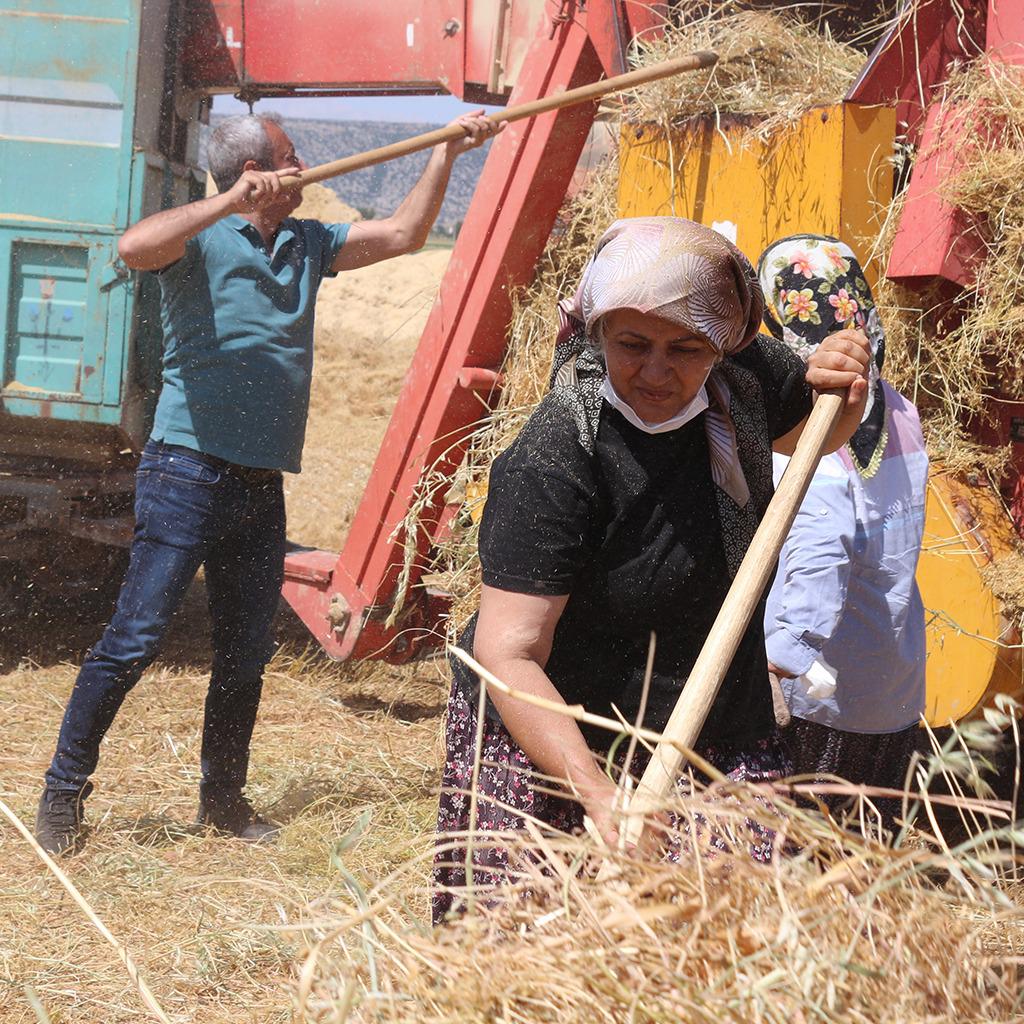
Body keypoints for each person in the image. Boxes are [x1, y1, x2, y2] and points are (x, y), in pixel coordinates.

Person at [35, 109, 498, 856]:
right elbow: (133, 246)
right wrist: (229, 200)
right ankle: (62, 793)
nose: (304, 166)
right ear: (255, 173)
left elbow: (405, 235)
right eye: (291, 157)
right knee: (135, 639)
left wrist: (446, 150)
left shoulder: (309, 242)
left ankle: (223, 802)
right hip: (185, 469)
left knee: (245, 653)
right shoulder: (200, 238)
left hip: (258, 483)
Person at [432, 217, 872, 922]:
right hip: (565, 733)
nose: (658, 371)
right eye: (632, 345)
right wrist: (601, 798)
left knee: (733, 934)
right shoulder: (556, 458)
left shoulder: (747, 377)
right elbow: (508, 653)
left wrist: (844, 393)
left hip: (715, 709)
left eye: (686, 348)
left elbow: (814, 433)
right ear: (598, 330)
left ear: (723, 343)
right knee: (562, 941)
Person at [758, 234, 928, 829]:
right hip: (894, 681)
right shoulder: (899, 408)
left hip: (820, 695)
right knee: (866, 846)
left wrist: (777, 665)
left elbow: (819, 558)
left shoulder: (810, 433)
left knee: (803, 851)